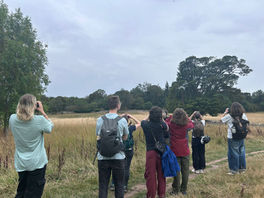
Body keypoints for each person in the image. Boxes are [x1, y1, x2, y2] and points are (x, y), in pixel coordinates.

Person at [9, 94, 54, 198]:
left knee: (21, 190)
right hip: (37, 163)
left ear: (19, 105)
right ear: (34, 106)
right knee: (34, 192)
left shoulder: (12, 119)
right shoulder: (39, 121)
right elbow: (50, 127)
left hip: (21, 163)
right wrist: (42, 111)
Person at [96, 95, 129, 198]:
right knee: (119, 185)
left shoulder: (100, 119)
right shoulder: (122, 120)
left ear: (108, 105)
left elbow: (98, 136)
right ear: (118, 106)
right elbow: (125, 137)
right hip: (118, 157)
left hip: (102, 157)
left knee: (103, 185)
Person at [141, 106, 169, 198]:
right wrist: (161, 119)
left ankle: (151, 195)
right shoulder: (162, 124)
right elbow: (167, 128)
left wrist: (149, 116)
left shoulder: (145, 124)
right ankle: (161, 194)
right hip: (161, 151)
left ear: (150, 115)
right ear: (160, 116)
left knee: (151, 176)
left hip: (150, 152)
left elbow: (142, 121)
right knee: (161, 174)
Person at [110, 114, 141, 192]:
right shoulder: (130, 128)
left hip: (118, 150)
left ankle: (113, 184)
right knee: (126, 168)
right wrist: (131, 116)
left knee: (116, 167)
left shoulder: (116, 128)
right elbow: (139, 123)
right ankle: (124, 186)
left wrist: (119, 116)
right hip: (128, 150)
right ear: (127, 121)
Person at [167, 108, 194, 195]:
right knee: (185, 171)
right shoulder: (186, 125)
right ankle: (184, 189)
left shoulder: (171, 124)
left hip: (174, 150)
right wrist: (187, 117)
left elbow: (166, 121)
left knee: (176, 171)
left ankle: (175, 189)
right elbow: (191, 124)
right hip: (185, 150)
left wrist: (171, 116)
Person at [221, 102, 248, 175]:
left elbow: (221, 120)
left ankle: (234, 170)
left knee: (233, 153)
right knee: (241, 152)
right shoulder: (243, 115)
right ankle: (242, 169)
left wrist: (225, 112)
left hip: (232, 137)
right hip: (242, 136)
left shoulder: (229, 116)